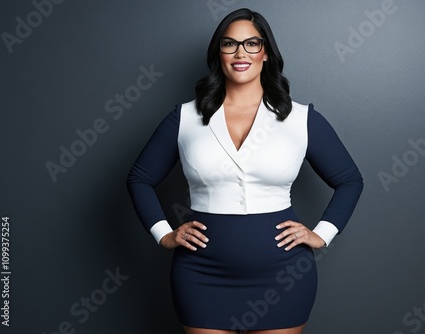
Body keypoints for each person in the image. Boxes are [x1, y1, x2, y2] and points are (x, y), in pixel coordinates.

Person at [127, 8, 363, 334]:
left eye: (252, 43)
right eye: (230, 44)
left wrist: (321, 234)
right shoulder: (184, 118)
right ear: (218, 54)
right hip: (200, 275)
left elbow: (350, 180)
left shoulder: (300, 119)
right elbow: (139, 178)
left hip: (283, 276)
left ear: (266, 53)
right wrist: (164, 233)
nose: (241, 53)